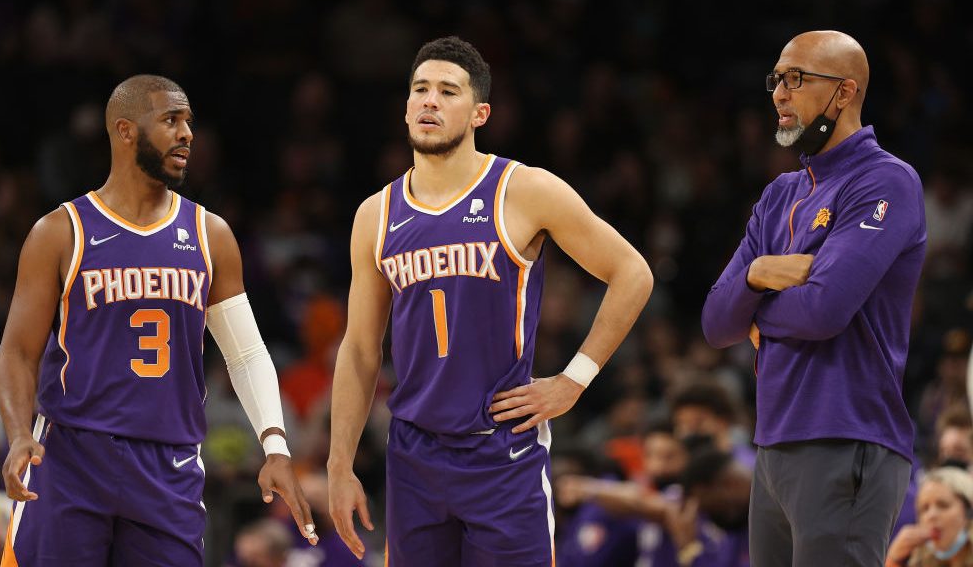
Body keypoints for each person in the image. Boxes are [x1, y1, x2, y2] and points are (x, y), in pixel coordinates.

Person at [326, 36, 653, 565]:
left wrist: (574, 380)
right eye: (420, 89)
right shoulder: (375, 215)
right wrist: (340, 463)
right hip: (413, 455)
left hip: (502, 451)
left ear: (480, 113)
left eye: (447, 91)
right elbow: (361, 349)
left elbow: (633, 272)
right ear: (406, 106)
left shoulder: (523, 189)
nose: (430, 100)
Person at [0, 74, 316, 566]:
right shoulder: (60, 232)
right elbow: (18, 351)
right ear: (125, 131)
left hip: (169, 464)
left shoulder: (210, 234)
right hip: (72, 455)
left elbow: (246, 352)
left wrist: (275, 444)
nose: (187, 134)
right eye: (171, 120)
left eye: (189, 122)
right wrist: (18, 433)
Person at [702, 30, 926, 566]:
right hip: (774, 443)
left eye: (797, 79)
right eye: (777, 79)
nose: (779, 92)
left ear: (844, 93)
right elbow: (715, 323)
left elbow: (825, 311)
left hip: (847, 435)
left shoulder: (885, 181)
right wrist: (758, 274)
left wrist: (754, 311)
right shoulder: (779, 193)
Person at [886, 467, 973, 566]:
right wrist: (893, 559)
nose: (931, 516)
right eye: (924, 509)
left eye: (943, 505)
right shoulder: (918, 561)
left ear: (969, 512)